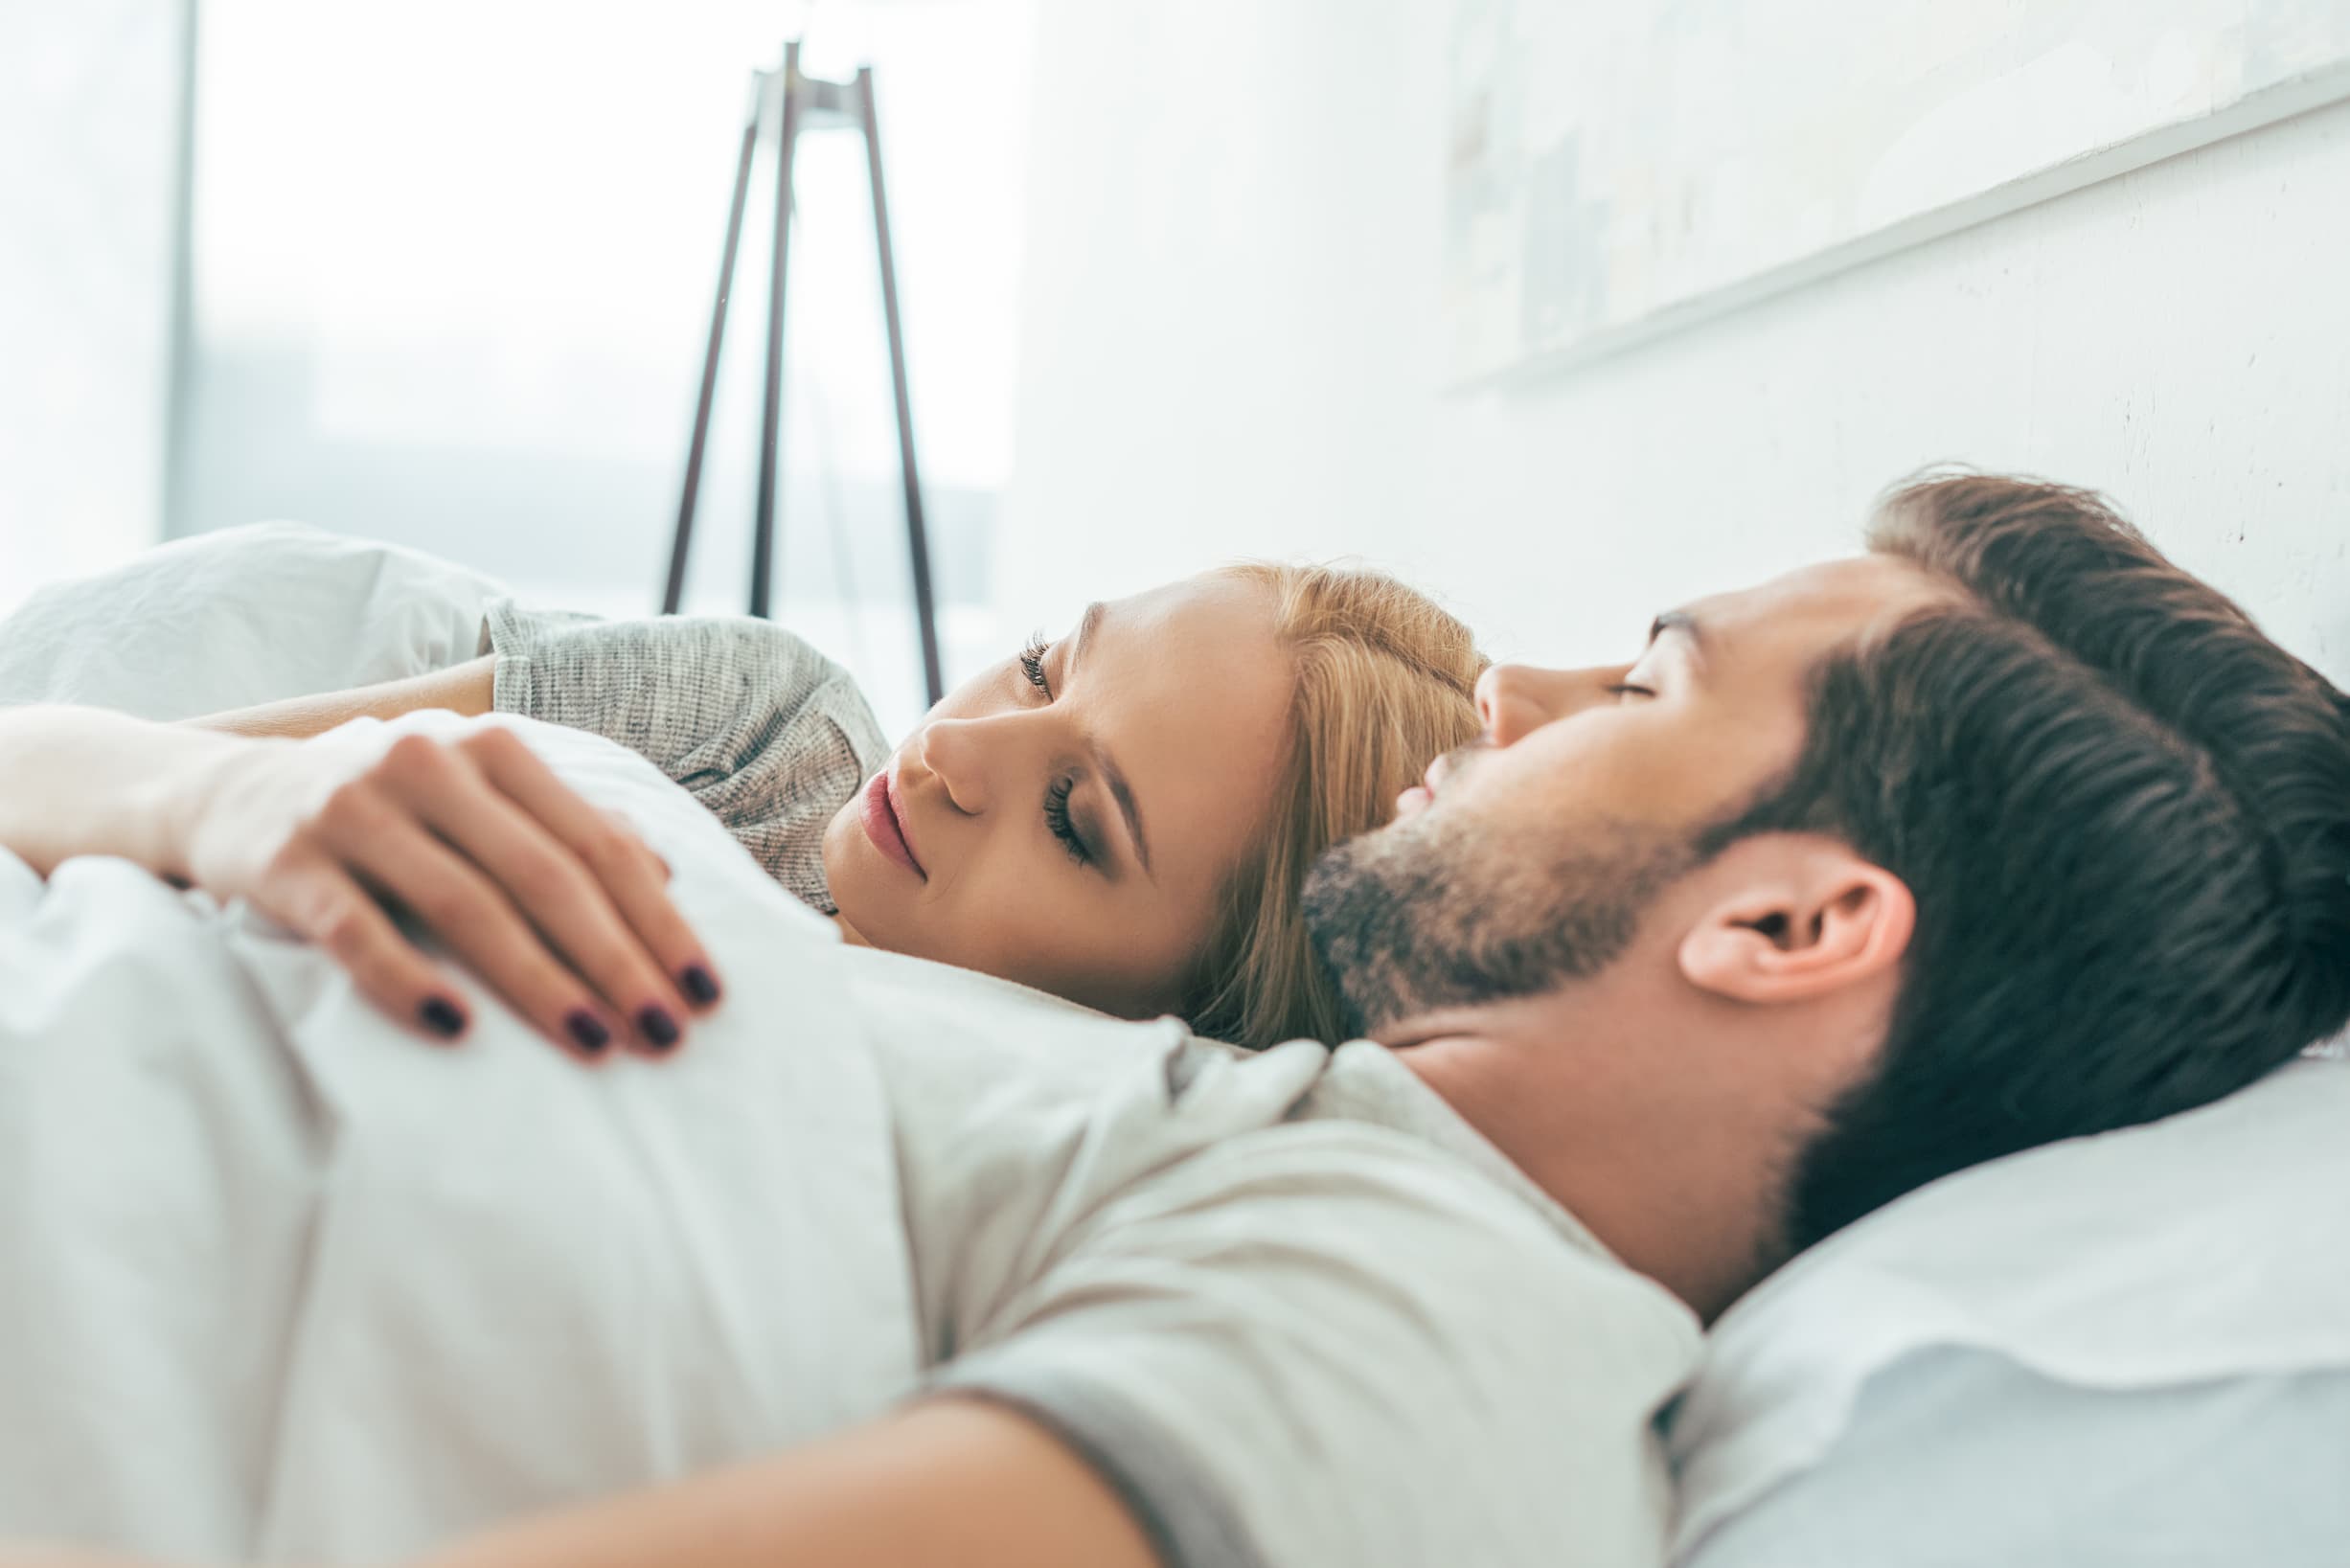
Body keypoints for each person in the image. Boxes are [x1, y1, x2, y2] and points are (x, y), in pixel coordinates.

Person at [3, 473, 2346, 1568]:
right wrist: (220, 800)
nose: (1511, 685)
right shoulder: (1235, 1127)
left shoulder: (1444, 1342)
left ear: (1789, 927)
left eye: (1648, 681)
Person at [177, 560, 1490, 1051]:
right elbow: (144, 759)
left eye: (1073, 818)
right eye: (1039, 661)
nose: (961, 743)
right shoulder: (766, 732)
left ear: (1184, 1025)